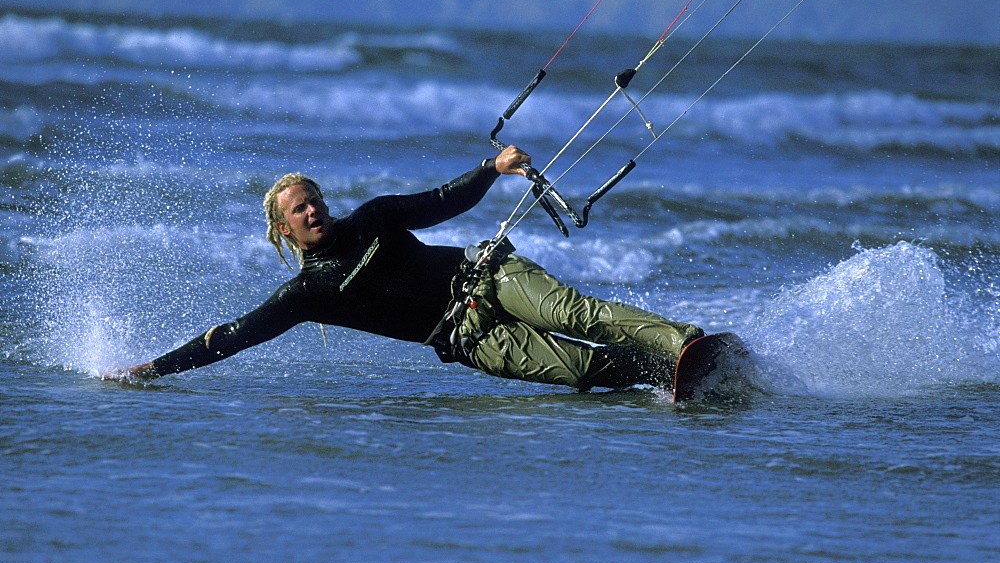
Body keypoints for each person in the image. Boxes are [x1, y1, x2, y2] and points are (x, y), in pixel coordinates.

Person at [103, 146, 703, 390]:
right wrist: (155, 367)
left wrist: (492, 169)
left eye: (313, 200)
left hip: (486, 275)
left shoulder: (373, 218)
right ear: (282, 230)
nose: (311, 209)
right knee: (578, 370)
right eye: (297, 209)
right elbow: (234, 335)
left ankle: (685, 341)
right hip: (465, 337)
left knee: (578, 314)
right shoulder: (307, 293)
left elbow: (442, 201)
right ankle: (673, 373)